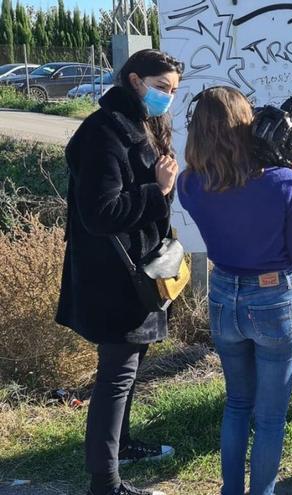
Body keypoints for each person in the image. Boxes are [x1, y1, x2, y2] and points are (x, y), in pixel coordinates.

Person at [177, 87, 292, 495]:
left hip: (222, 298)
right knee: (269, 417)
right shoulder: (283, 182)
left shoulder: (188, 183)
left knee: (237, 404)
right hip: (273, 300)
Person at [57, 49, 181, 495]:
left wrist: (158, 190)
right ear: (134, 80)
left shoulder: (135, 125)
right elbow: (100, 212)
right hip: (113, 277)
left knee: (128, 366)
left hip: (135, 272)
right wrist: (159, 189)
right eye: (162, 88)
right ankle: (104, 482)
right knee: (117, 374)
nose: (167, 98)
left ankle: (121, 447)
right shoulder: (104, 133)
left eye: (173, 91)